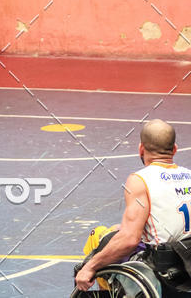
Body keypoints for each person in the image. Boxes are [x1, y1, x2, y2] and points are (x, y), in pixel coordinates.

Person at [75, 119, 191, 291]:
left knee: (99, 237)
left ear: (141, 149)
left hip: (160, 267)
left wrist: (90, 267)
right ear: (174, 149)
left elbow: (129, 240)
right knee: (117, 229)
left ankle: (107, 291)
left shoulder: (140, 180)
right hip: (185, 260)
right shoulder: (188, 175)